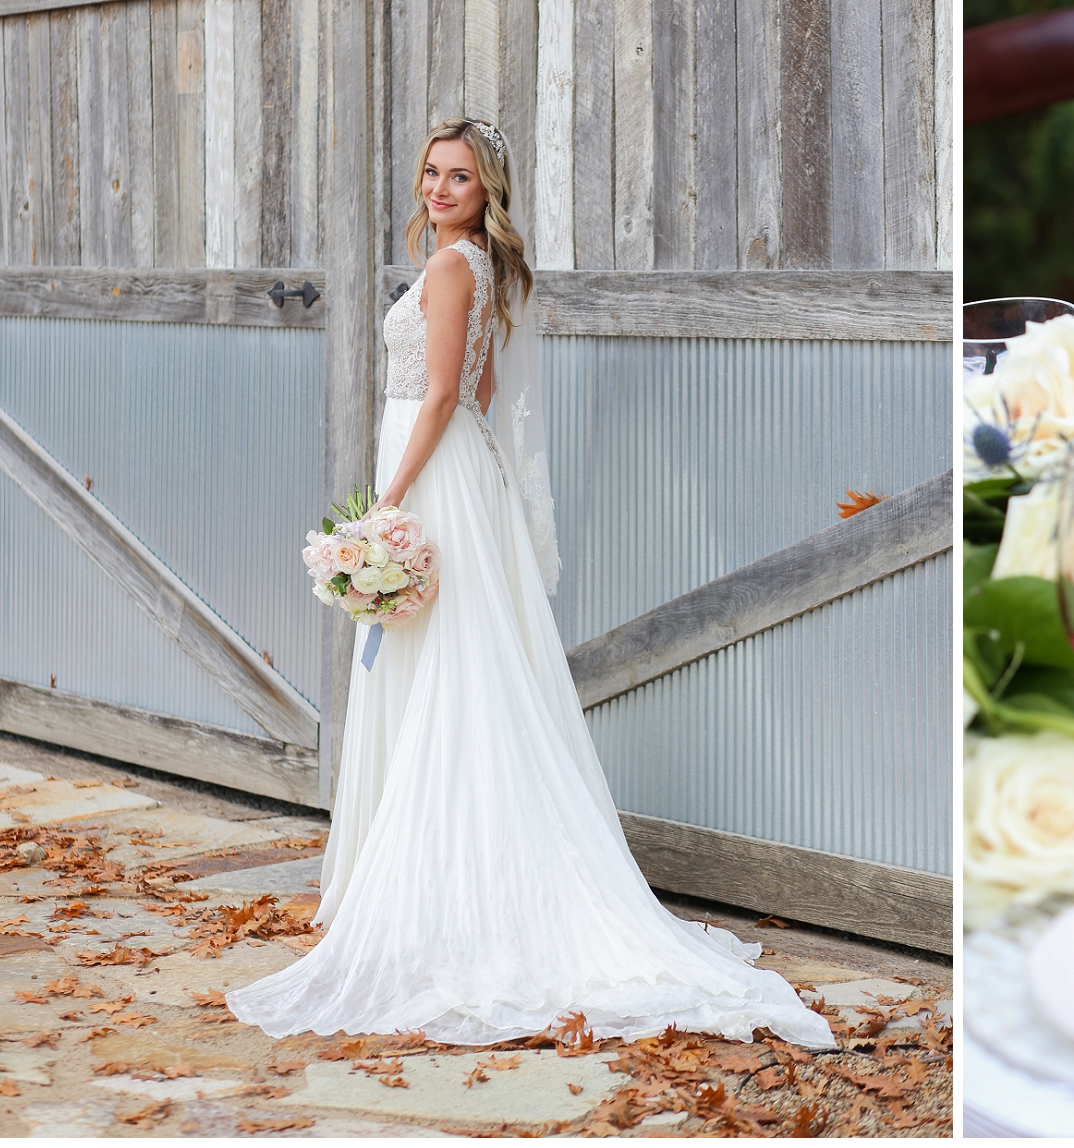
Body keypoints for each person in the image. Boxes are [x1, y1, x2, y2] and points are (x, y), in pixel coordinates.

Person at [225, 117, 834, 1048]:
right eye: (430, 172)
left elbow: (437, 395)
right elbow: (474, 398)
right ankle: (428, 874)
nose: (437, 189)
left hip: (433, 471)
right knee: (449, 665)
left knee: (454, 674)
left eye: (458, 177)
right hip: (463, 470)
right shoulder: (485, 270)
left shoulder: (449, 269)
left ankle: (446, 897)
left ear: (487, 192)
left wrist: (383, 506)